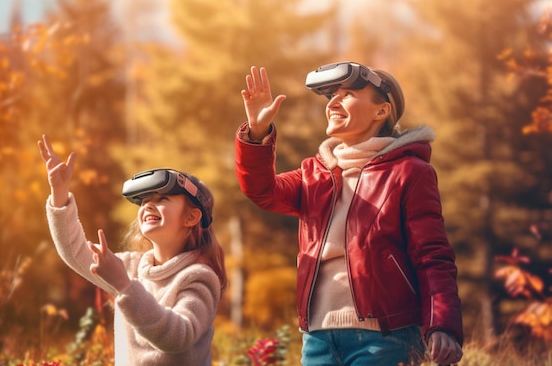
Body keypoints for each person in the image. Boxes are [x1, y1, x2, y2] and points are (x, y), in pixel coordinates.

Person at [234, 62, 463, 366]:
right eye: (331, 96)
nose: (334, 102)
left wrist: (441, 324)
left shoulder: (409, 173)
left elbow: (431, 255)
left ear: (381, 111)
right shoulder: (313, 173)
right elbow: (262, 190)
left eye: (349, 93)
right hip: (317, 335)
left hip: (386, 336)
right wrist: (257, 132)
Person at [38, 134, 227, 366]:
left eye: (162, 198)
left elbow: (179, 337)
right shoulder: (131, 267)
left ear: (191, 217)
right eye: (145, 200)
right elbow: (74, 251)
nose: (148, 204)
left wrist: (124, 286)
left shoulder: (199, 277)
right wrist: (59, 192)